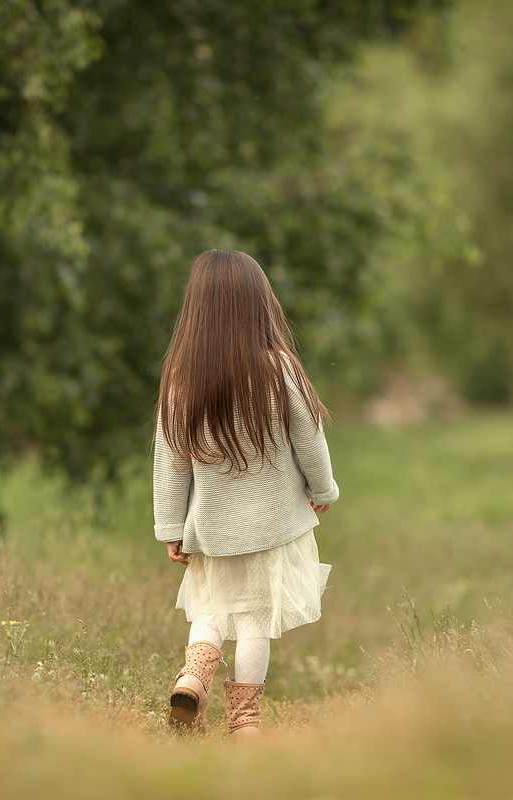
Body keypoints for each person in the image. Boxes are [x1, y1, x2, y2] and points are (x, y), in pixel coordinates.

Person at [153, 249, 339, 739]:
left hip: (211, 526)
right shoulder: (280, 369)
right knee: (255, 618)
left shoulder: (182, 377)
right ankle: (245, 722)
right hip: (271, 525)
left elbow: (170, 459)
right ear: (260, 304)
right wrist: (323, 489)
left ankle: (192, 678)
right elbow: (309, 439)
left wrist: (170, 526)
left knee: (210, 610)